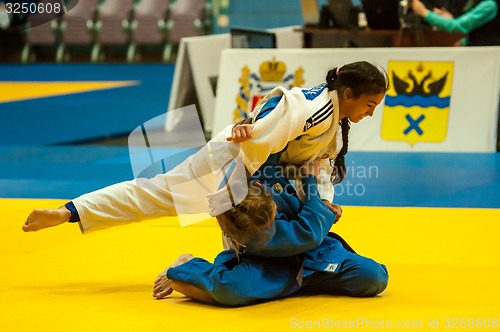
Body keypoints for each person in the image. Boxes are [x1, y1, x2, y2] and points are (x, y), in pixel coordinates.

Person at [22, 61, 388, 240]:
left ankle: (70, 212)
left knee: (166, 198)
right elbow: (275, 115)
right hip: (231, 161)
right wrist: (243, 195)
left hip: (256, 167)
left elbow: (319, 164)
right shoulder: (315, 109)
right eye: (370, 104)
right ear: (348, 94)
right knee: (158, 196)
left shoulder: (334, 122)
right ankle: (68, 212)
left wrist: (323, 201)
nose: (370, 113)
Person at [152, 154, 388, 306]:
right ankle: (187, 266)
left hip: (312, 258)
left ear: (258, 186)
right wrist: (310, 182)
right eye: (270, 220)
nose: (274, 216)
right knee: (229, 290)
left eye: (272, 211)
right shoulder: (245, 228)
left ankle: (278, 289)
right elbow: (309, 231)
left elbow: (274, 124)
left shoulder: (259, 169)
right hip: (268, 264)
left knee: (374, 277)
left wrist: (248, 126)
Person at [412, 0, 500, 46]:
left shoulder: (489, 5)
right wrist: (465, 41)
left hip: (488, 59)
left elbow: (457, 26)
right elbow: (484, 30)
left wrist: (424, 13)